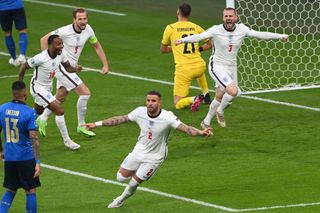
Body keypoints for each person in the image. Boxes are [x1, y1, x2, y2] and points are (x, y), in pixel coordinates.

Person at [83, 91, 213, 208]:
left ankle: (120, 199)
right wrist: (96, 124)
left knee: (133, 183)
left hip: (155, 157)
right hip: (138, 151)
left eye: (153, 101)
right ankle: (138, 174)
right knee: (120, 178)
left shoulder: (168, 117)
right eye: (148, 100)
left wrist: (201, 132)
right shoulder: (139, 112)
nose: (150, 103)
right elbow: (119, 119)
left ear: (159, 102)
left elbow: (187, 129)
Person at [175, 8, 288, 127]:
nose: (228, 18)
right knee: (234, 91)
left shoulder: (242, 29)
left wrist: (280, 36)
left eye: (230, 16)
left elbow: (260, 34)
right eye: (226, 16)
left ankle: (206, 121)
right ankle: (220, 111)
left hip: (231, 67)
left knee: (220, 95)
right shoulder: (216, 29)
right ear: (223, 18)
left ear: (236, 17)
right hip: (217, 66)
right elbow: (199, 37)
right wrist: (182, 40)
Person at [37, 7, 110, 138]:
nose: (83, 21)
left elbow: (96, 45)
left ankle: (42, 118)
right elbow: (44, 39)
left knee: (61, 96)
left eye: (85, 18)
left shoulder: (88, 30)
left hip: (70, 68)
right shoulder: (65, 31)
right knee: (85, 93)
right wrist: (47, 61)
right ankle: (81, 125)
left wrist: (105, 64)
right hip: (62, 67)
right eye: (80, 19)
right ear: (74, 20)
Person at [19, 34, 82, 150]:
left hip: (47, 88)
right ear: (50, 45)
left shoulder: (60, 55)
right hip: (37, 88)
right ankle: (67, 141)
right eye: (58, 44)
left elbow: (67, 67)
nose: (61, 46)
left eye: (62, 43)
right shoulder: (40, 58)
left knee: (38, 110)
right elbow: (24, 66)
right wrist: (21, 86)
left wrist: (75, 69)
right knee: (59, 110)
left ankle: (20, 127)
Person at [160, 3, 212, 111]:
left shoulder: (170, 28)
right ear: (189, 14)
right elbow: (210, 43)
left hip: (184, 70)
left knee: (177, 103)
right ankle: (206, 95)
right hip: (200, 66)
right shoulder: (196, 27)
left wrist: (174, 47)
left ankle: (195, 98)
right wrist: (199, 49)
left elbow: (163, 50)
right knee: (199, 71)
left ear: (178, 12)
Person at [0, 81, 41, 213]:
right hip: (26, 157)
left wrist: (1, 150)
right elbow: (33, 137)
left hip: (10, 157)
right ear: (25, 93)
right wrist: (38, 162)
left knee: (11, 189)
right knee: (30, 190)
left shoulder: (2, 109)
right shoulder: (30, 112)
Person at [0, 0, 28, 66]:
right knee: (22, 30)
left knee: (7, 33)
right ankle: (22, 56)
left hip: (3, 8)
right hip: (18, 6)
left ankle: (15, 59)